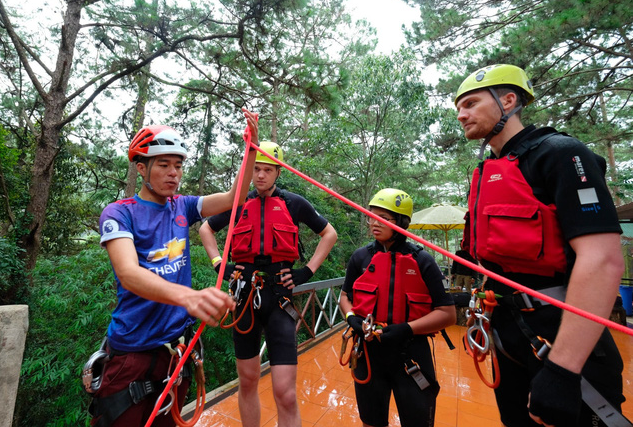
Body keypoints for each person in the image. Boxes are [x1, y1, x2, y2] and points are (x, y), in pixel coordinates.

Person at [455, 64, 625, 426]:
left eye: (470, 103)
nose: (461, 114)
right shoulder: (489, 172)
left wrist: (563, 370)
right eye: (458, 107)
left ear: (509, 100)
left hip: (563, 338)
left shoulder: (561, 154)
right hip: (508, 335)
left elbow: (603, 260)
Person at [89, 110, 258, 427]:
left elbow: (234, 198)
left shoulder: (182, 206)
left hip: (174, 355)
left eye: (178, 166)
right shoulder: (119, 213)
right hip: (131, 353)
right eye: (163, 165)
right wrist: (189, 298)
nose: (173, 174)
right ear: (141, 168)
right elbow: (128, 272)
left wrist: (250, 150)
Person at [199, 140, 337, 427]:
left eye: (267, 170)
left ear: (277, 172)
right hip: (244, 297)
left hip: (280, 298)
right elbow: (205, 228)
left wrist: (306, 271)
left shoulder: (294, 203)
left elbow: (329, 233)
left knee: (284, 392)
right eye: (256, 169)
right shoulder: (238, 204)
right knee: (247, 382)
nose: (260, 175)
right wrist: (218, 263)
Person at [338, 188, 456, 427]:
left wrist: (407, 329)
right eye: (371, 216)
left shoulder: (422, 261)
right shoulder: (360, 258)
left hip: (410, 353)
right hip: (368, 353)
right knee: (370, 421)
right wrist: (351, 317)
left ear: (402, 222)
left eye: (384, 218)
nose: (374, 223)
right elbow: (344, 296)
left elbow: (448, 314)